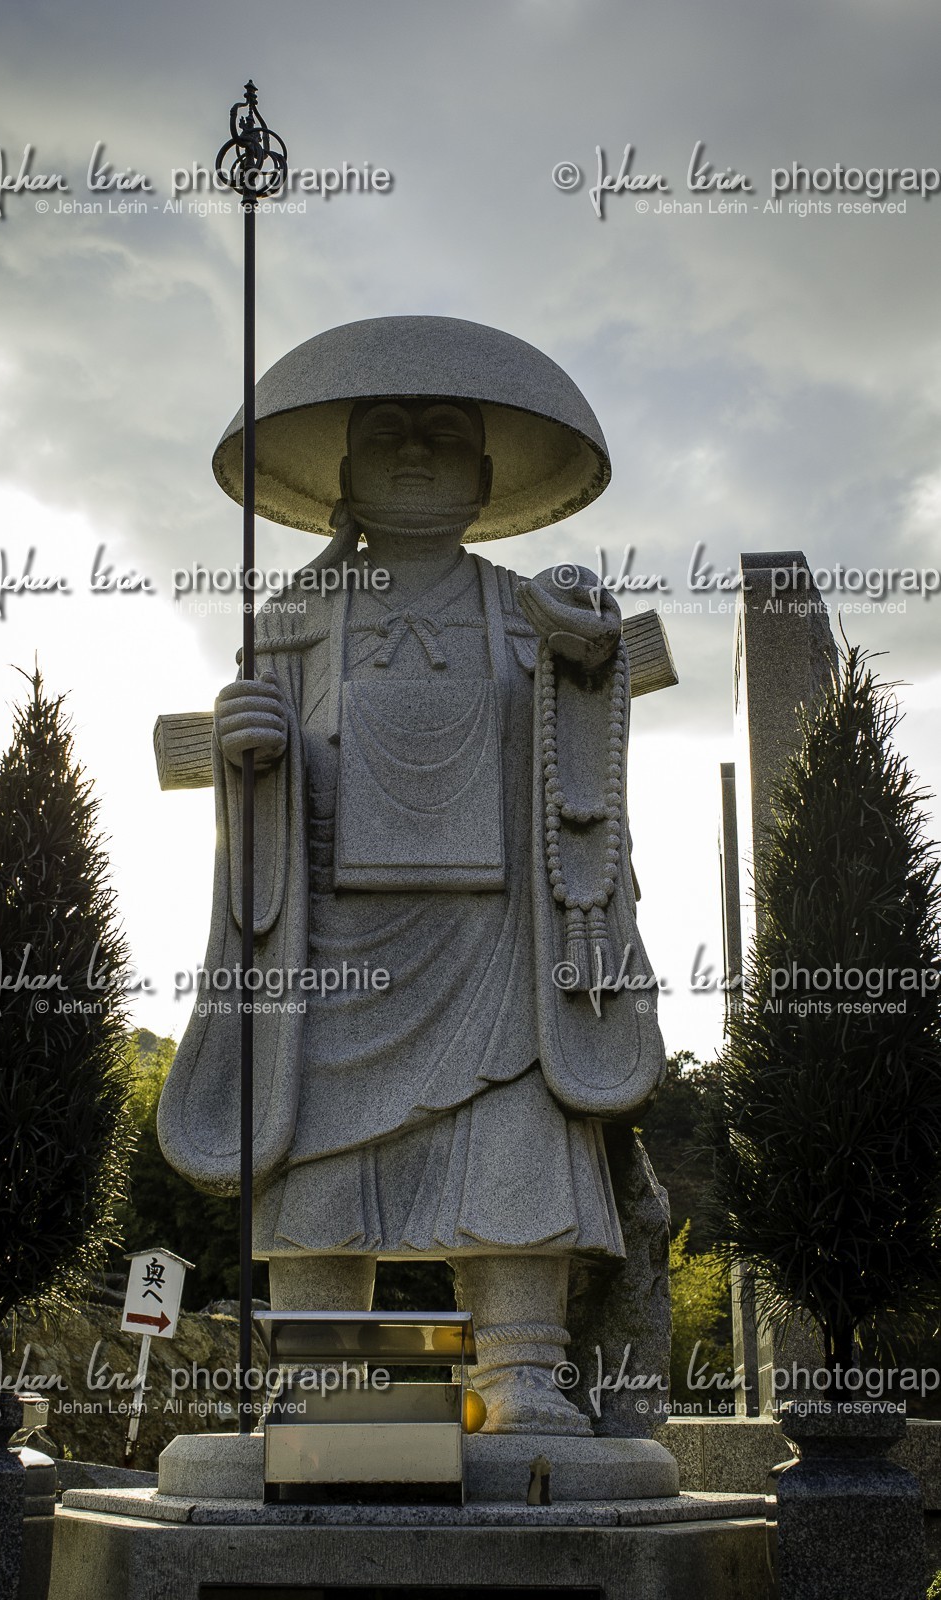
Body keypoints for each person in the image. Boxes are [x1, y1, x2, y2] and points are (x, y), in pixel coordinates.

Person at [159, 318, 667, 1434]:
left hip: (493, 942)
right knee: (322, 1154)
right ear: (340, 472)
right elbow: (252, 763)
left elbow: (589, 719)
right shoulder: (289, 620)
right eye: (384, 431)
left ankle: (519, 1369)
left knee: (513, 1136)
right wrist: (251, 752)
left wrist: (582, 663)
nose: (413, 452)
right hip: (334, 943)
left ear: (486, 476)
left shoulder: (524, 609)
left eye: (444, 434)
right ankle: (323, 1379)